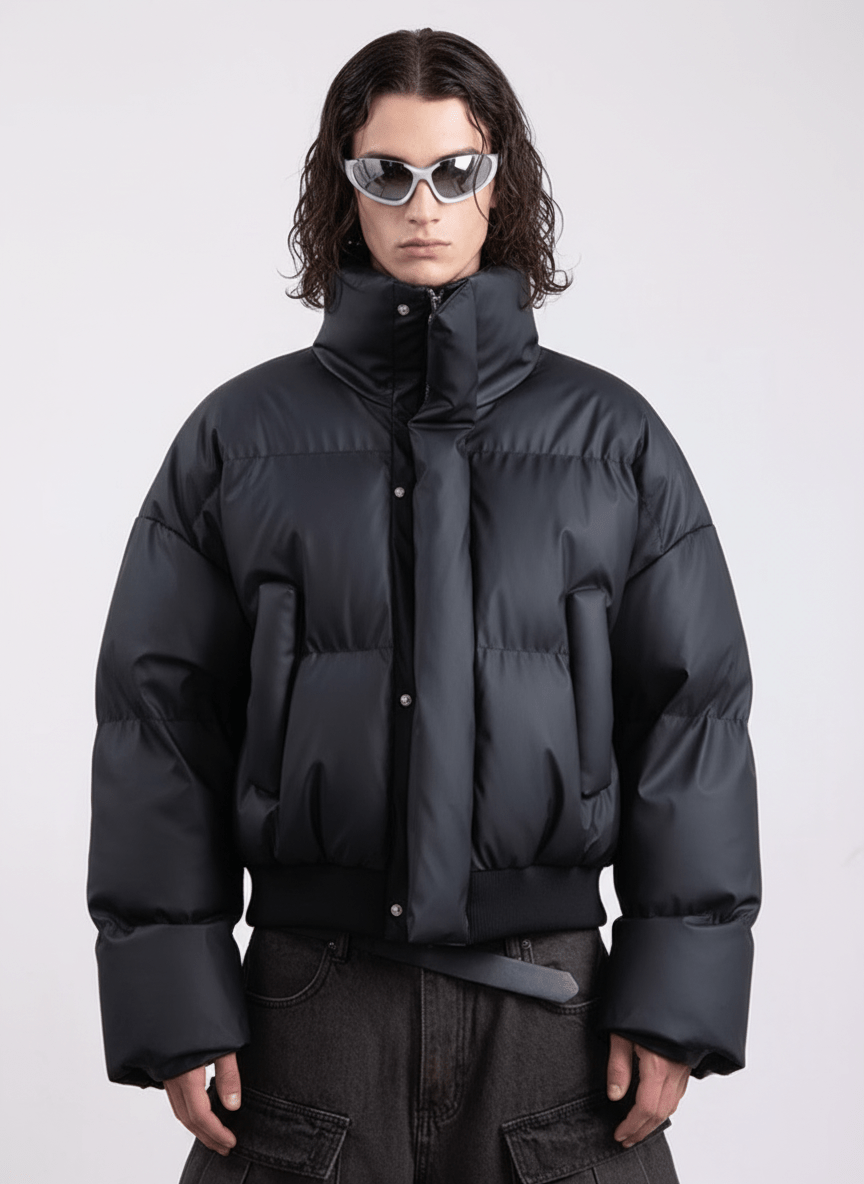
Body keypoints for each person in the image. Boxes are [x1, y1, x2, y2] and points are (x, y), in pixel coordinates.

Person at [87, 27, 760, 1184]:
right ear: (342, 189)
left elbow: (690, 712)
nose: (423, 205)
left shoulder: (613, 440)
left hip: (556, 1010)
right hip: (310, 1002)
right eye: (386, 173)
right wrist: (174, 993)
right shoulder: (239, 438)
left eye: (456, 170)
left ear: (502, 184)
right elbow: (158, 720)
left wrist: (676, 989)